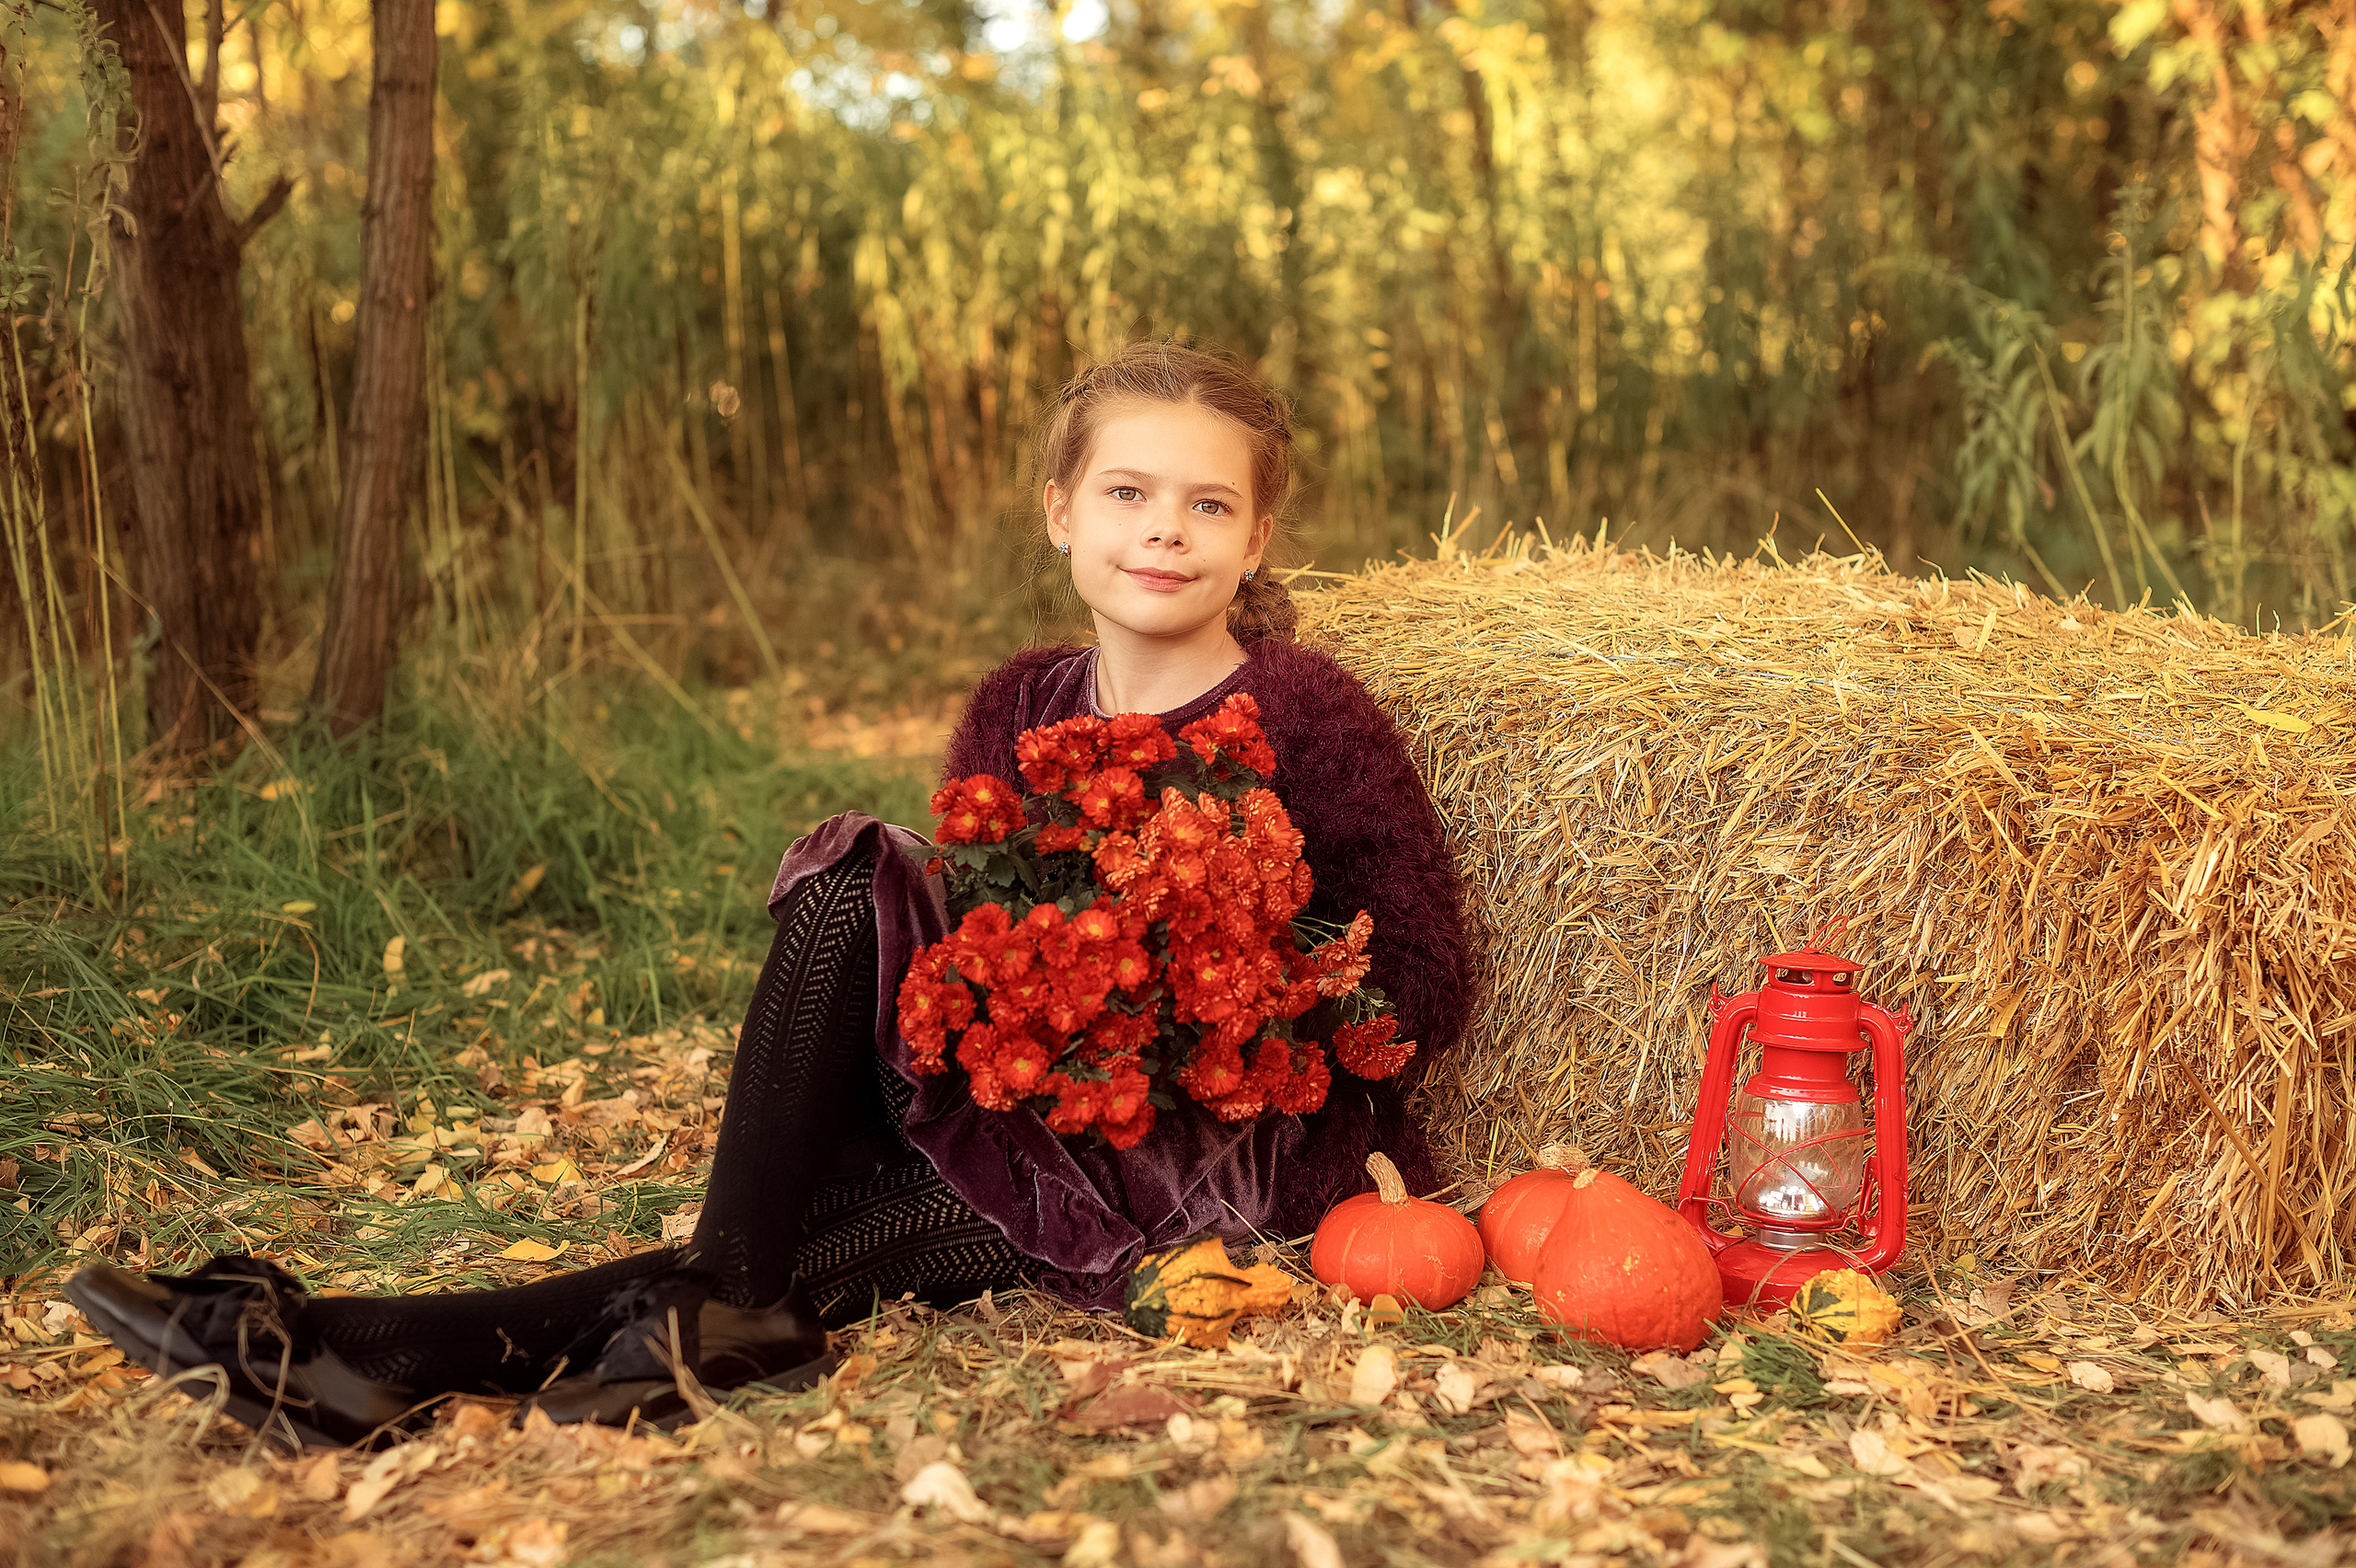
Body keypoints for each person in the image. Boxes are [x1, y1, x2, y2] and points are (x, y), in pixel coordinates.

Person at [64, 340, 1472, 1451]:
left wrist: (1222, 991)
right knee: (855, 865)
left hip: (1219, 1148)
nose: (1165, 530)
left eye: (1208, 503)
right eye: (1128, 493)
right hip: (1026, 1107)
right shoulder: (1019, 703)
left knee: (806, 1254)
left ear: (1257, 535)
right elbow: (972, 942)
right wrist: (1009, 1024)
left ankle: (334, 1350)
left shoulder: (1305, 710)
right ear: (1060, 512)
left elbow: (1426, 975)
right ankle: (677, 1314)